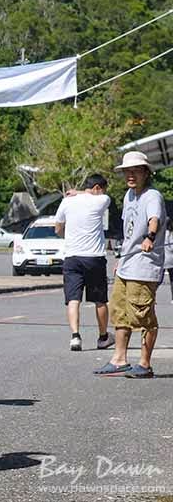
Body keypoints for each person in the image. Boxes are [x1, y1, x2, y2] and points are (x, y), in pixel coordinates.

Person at [94, 151, 166, 379]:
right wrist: (121, 258)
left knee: (143, 315)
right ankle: (119, 359)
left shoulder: (152, 195)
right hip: (127, 262)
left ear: (146, 172)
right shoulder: (128, 196)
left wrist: (150, 238)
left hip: (145, 264)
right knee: (120, 312)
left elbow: (153, 220)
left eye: (135, 170)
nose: (130, 175)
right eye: (127, 171)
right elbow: (129, 230)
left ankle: (145, 364)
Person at [55, 174, 115, 351]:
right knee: (100, 300)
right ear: (98, 188)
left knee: (73, 299)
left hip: (72, 257)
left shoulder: (66, 201)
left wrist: (69, 235)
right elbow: (95, 194)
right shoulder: (102, 200)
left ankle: (75, 336)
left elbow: (57, 227)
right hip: (94, 257)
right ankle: (103, 337)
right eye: (102, 189)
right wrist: (81, 192)